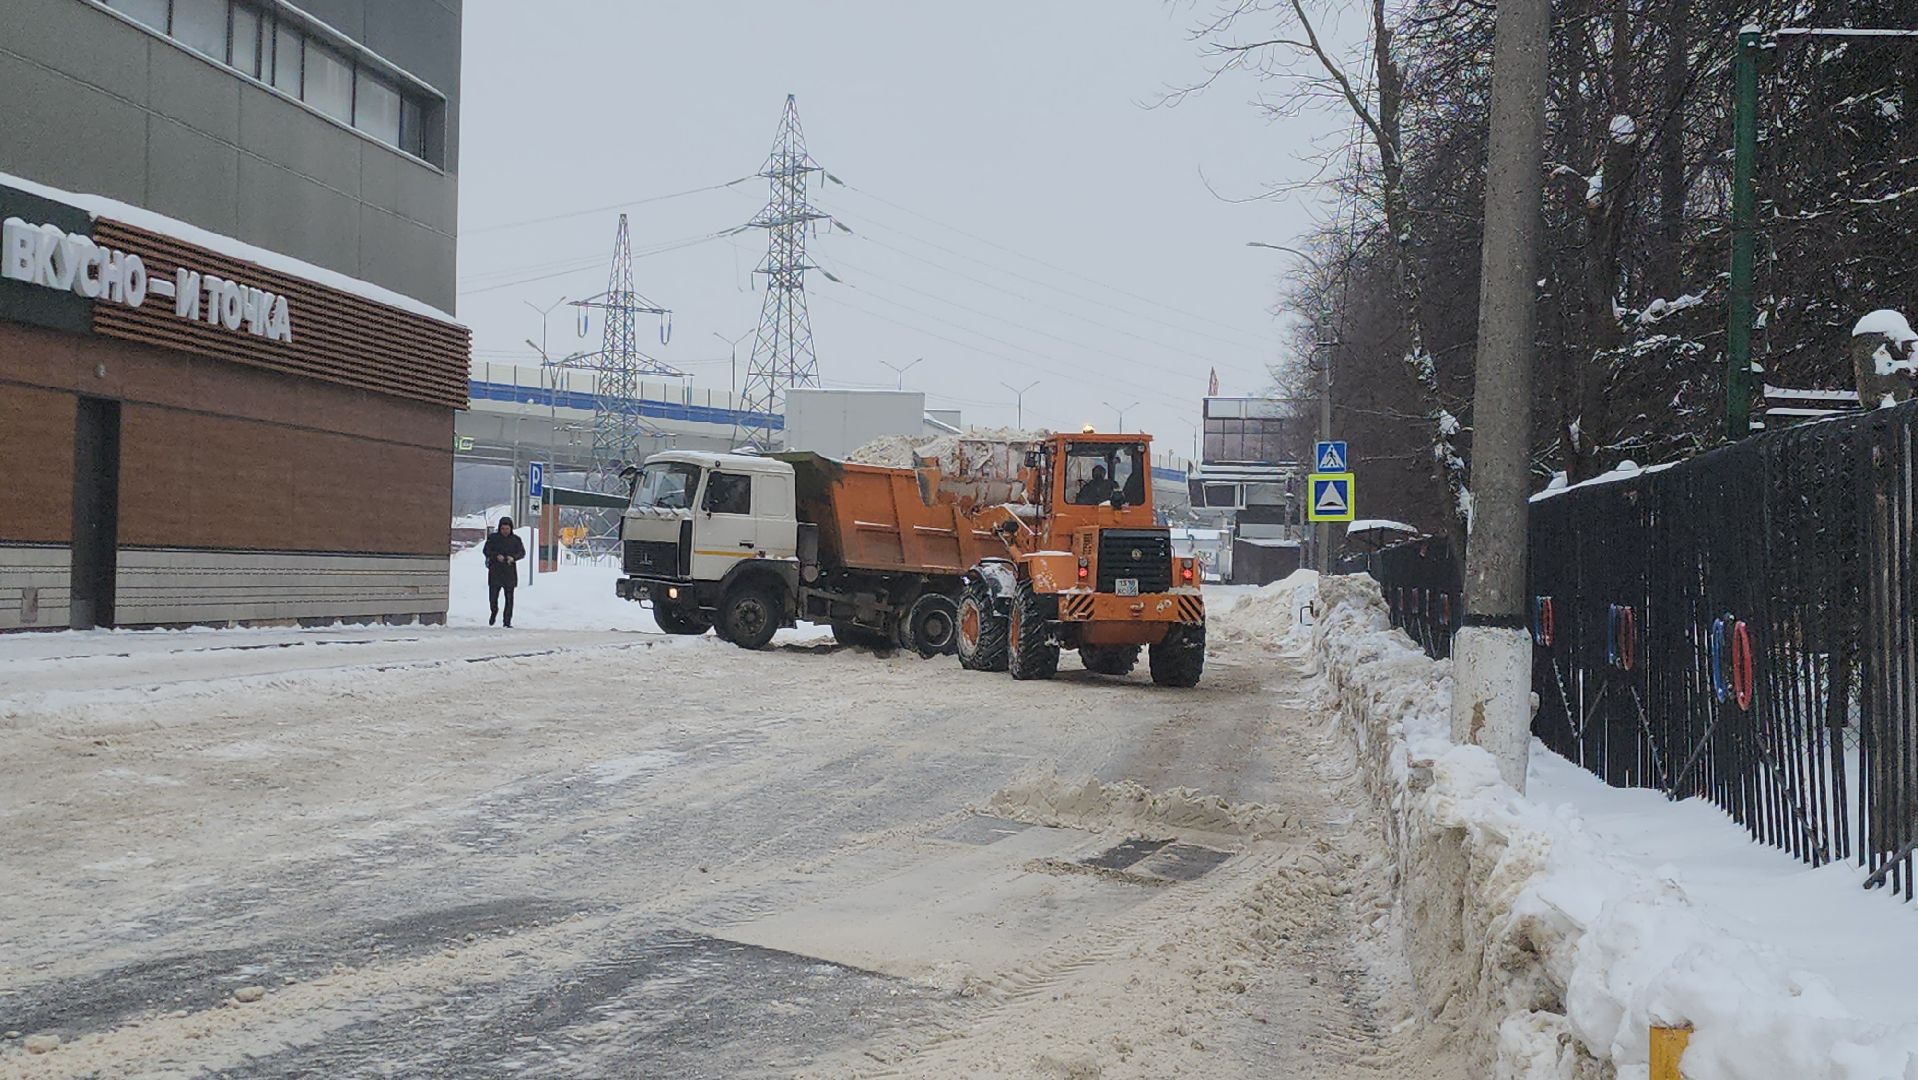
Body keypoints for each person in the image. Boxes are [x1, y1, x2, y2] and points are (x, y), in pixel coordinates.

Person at [482, 517, 525, 627]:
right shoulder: (493, 538)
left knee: (509, 599)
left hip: (509, 572)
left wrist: (513, 558)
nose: (505, 531)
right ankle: (494, 611)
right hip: (495, 572)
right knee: (493, 597)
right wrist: (496, 556)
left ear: (511, 529)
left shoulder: (516, 540)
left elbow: (521, 552)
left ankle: (507, 621)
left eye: (507, 528)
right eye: (503, 528)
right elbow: (486, 550)